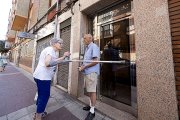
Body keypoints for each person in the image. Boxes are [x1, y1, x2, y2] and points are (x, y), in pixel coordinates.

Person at [33, 38, 71, 120]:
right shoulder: (50, 50)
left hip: (40, 76)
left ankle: (37, 113)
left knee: (41, 95)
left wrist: (64, 58)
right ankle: (38, 117)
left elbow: (56, 61)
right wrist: (64, 56)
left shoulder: (52, 51)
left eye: (62, 43)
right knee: (44, 97)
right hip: (43, 78)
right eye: (60, 43)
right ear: (54, 44)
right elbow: (47, 63)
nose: (62, 44)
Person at [78, 34, 100, 120]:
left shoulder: (94, 46)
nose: (83, 40)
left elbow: (96, 61)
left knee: (92, 91)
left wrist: (84, 67)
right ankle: (91, 105)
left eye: (85, 38)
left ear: (90, 39)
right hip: (87, 72)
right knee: (90, 91)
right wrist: (82, 66)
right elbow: (88, 61)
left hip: (91, 73)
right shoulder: (87, 47)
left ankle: (92, 111)